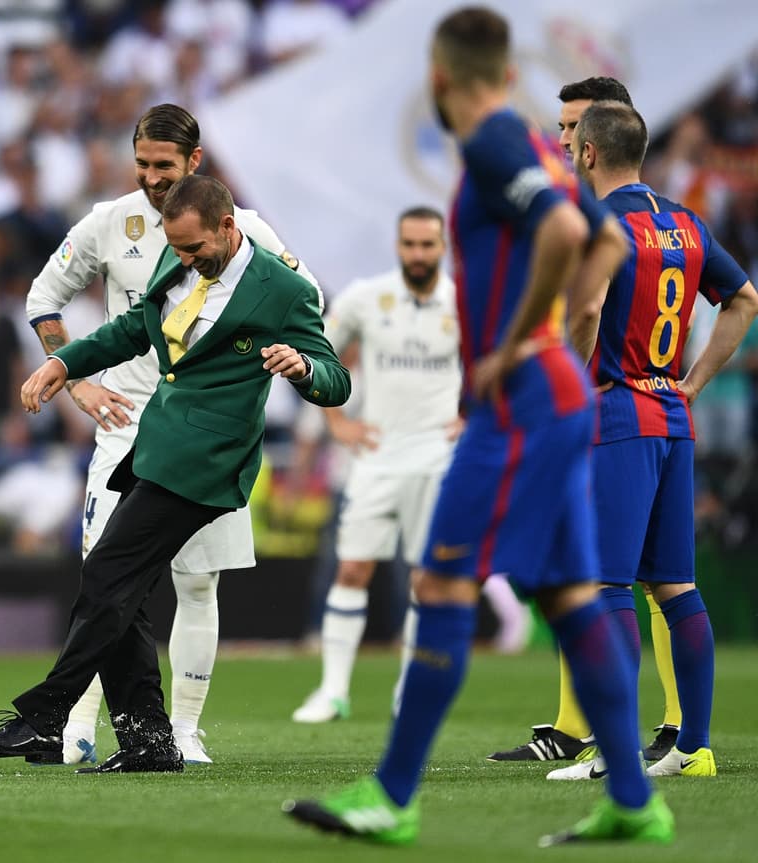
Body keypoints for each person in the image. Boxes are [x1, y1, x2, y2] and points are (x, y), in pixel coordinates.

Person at [283, 7, 673, 846]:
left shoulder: (494, 142)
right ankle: (635, 800)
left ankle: (392, 795)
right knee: (569, 597)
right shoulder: (537, 144)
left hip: (521, 403)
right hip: (555, 394)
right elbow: (607, 243)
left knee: (442, 584)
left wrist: (519, 340)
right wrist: (556, 335)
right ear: (508, 71)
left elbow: (569, 233)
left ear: (438, 78)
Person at [0, 174, 350, 773]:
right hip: (155, 445)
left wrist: (302, 368)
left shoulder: (284, 289)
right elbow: (133, 330)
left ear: (228, 226)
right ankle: (148, 742)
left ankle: (46, 718)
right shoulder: (178, 254)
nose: (185, 260)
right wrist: (66, 362)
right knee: (123, 590)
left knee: (108, 576)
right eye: (177, 249)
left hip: (209, 461)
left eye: (194, 249)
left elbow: (335, 379)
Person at [24, 102, 322, 764]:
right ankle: (78, 727)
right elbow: (44, 298)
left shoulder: (242, 228)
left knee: (197, 582)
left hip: (206, 435)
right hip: (124, 423)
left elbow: (306, 300)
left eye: (165, 165)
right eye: (142, 164)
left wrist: (267, 366)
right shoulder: (109, 222)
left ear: (194, 162)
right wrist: (77, 382)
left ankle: (183, 729)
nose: (152, 177)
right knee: (106, 580)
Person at [542, 101, 758, 782]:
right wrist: (693, 382)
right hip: (671, 412)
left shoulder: (600, 222)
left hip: (616, 411)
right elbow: (745, 299)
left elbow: (586, 308)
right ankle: (693, 747)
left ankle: (614, 752)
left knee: (607, 584)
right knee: (675, 585)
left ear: (588, 153)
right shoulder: (687, 222)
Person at [489, 74, 670, 764]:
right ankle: (579, 725)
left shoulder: (618, 220)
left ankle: (670, 727)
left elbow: (592, 313)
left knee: (644, 578)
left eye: (573, 128)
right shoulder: (611, 212)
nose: (563, 139)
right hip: (632, 407)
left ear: (603, 135)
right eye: (561, 127)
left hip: (612, 408)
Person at [291, 206, 494, 723]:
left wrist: (473, 417)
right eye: (410, 244)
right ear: (398, 246)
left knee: (425, 580)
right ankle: (332, 691)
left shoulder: (465, 303)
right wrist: (337, 423)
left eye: (427, 245)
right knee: (352, 568)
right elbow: (317, 352)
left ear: (442, 247)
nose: (418, 254)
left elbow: (496, 365)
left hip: (437, 459)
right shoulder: (366, 297)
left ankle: (409, 690)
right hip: (376, 457)